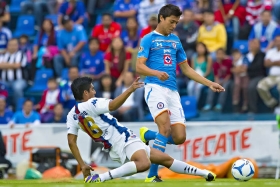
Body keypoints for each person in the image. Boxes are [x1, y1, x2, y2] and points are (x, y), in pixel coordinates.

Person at [67, 77, 216, 183]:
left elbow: (72, 142)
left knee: (165, 159)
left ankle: (204, 174)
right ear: (85, 93)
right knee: (144, 164)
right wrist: (130, 89)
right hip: (123, 139)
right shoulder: (92, 103)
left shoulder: (72, 115)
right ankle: (101, 178)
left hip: (115, 146)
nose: (94, 92)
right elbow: (113, 106)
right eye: (92, 89)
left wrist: (82, 164)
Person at [136, 4, 225, 182]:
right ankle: (152, 175)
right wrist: (155, 73)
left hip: (172, 91)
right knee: (165, 128)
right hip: (155, 87)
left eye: (176, 22)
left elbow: (186, 69)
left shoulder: (176, 41)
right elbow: (139, 66)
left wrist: (209, 83)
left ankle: (148, 135)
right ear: (161, 18)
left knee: (178, 137)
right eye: (171, 21)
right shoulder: (148, 39)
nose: (174, 25)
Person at [257, 35, 280, 109]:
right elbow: (266, 64)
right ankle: (273, 105)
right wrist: (277, 62)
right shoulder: (271, 52)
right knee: (260, 86)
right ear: (274, 42)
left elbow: (269, 63)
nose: (278, 42)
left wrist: (272, 62)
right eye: (277, 41)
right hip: (271, 76)